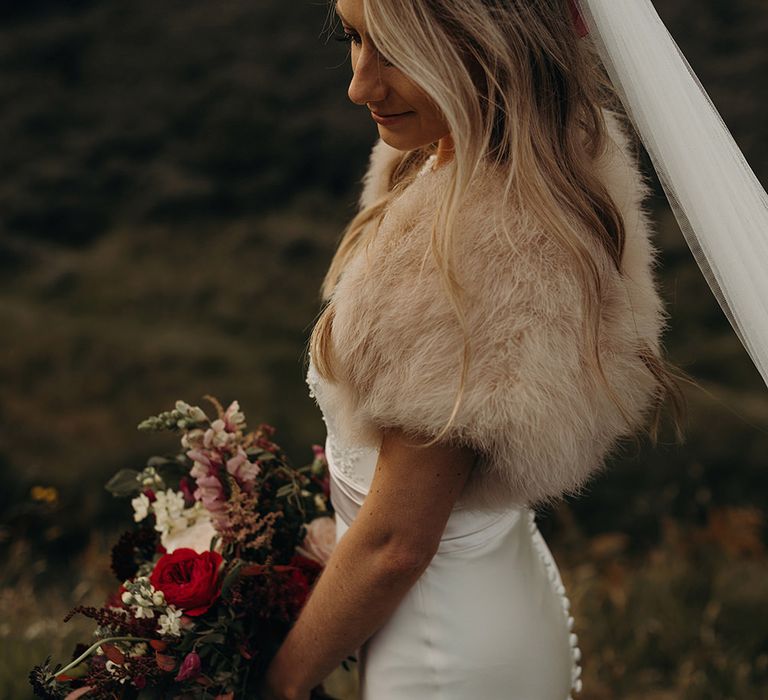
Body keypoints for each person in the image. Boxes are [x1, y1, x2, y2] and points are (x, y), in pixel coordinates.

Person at [259, 0, 768, 698]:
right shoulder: (518, 163)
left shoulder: (467, 252)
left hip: (444, 655)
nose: (360, 84)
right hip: (493, 597)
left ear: (490, 44)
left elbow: (395, 547)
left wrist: (274, 682)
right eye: (354, 38)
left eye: (399, 51)